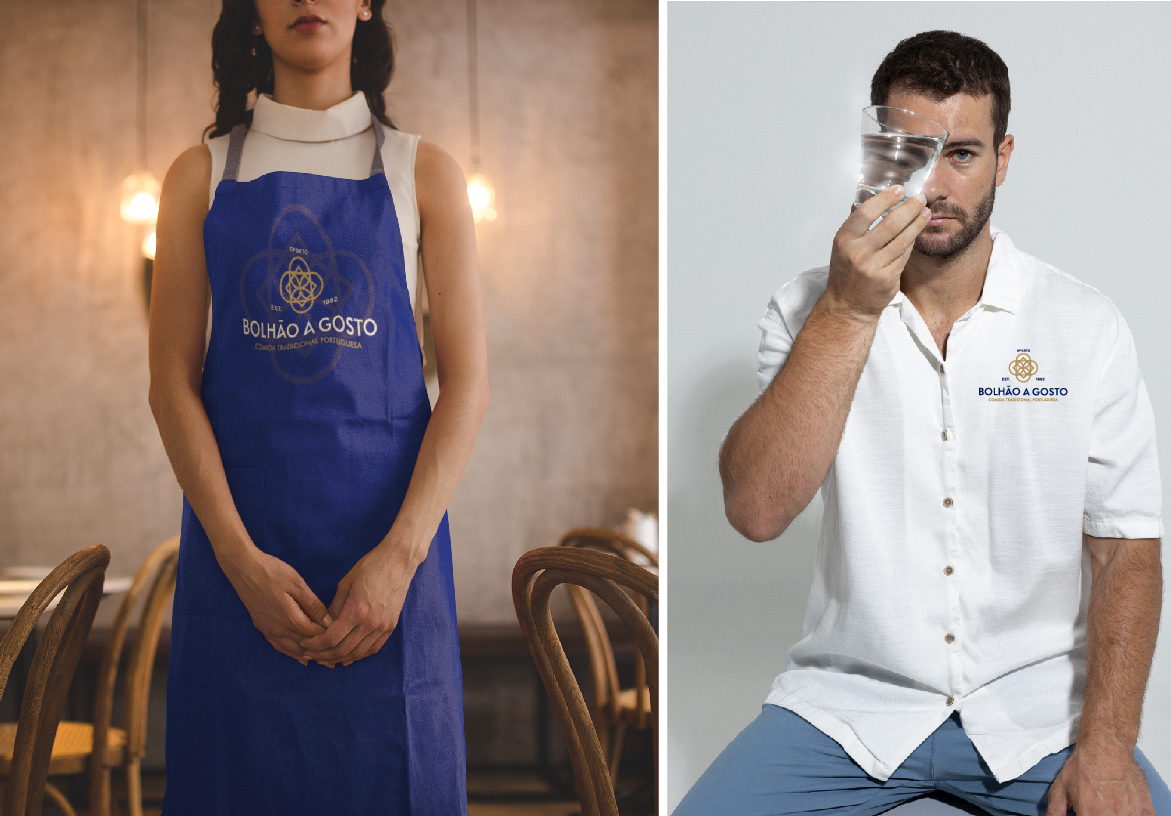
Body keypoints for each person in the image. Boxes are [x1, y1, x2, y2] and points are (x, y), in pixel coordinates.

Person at [676, 30, 1169, 816]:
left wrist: (1106, 746)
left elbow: (1126, 555)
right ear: (875, 151)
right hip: (847, 708)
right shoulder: (806, 308)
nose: (933, 184)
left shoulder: (1083, 325)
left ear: (1002, 159)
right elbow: (758, 511)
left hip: (1037, 711)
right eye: (910, 151)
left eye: (961, 154)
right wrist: (845, 309)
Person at [147, 0, 488, 812]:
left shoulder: (424, 171)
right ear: (251, 13)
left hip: (390, 575)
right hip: (240, 573)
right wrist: (239, 562)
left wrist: (397, 561)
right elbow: (170, 385)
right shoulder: (197, 174)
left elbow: (467, 384)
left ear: (366, 6)